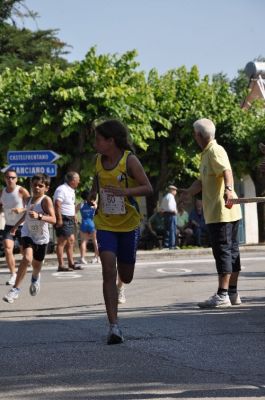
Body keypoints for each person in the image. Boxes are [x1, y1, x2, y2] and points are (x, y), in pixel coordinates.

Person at [91, 119, 153, 344]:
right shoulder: (98, 160)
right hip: (105, 224)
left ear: (111, 141)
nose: (95, 143)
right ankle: (113, 327)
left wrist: (123, 192)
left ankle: (121, 285)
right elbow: (96, 182)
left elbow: (148, 187)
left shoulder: (129, 161)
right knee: (108, 269)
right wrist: (91, 197)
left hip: (128, 225)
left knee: (126, 275)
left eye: (98, 139)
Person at [180, 118, 242, 308]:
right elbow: (203, 181)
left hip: (221, 212)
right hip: (221, 212)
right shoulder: (206, 154)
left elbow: (227, 171)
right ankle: (232, 294)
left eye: (194, 133)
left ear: (198, 135)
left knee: (224, 253)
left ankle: (223, 295)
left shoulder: (215, 150)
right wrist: (189, 192)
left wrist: (229, 189)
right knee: (230, 253)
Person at [3, 173, 56, 304]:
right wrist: (15, 227)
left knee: (36, 266)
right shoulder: (28, 200)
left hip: (41, 238)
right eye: (34, 185)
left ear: (46, 188)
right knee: (26, 258)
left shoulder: (46, 200)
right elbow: (26, 215)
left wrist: (39, 216)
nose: (37, 188)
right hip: (27, 233)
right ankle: (15, 290)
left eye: (40, 186)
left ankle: (35, 277)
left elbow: (54, 219)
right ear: (31, 186)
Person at [0, 169, 30, 286]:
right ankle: (13, 274)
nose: (10, 179)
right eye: (8, 177)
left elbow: (32, 206)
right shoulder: (2, 192)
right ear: (5, 179)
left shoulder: (21, 191)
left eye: (13, 177)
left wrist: (21, 209)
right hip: (8, 225)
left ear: (16, 179)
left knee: (25, 253)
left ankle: (31, 268)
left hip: (23, 225)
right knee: (7, 248)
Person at [54, 171, 82, 272]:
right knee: (62, 241)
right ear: (73, 180)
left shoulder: (71, 190)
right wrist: (60, 219)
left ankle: (71, 263)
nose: (79, 182)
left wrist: (74, 214)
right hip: (63, 217)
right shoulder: (62, 189)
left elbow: (71, 204)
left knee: (71, 241)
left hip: (69, 217)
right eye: (78, 180)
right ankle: (61, 265)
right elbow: (57, 204)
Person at [76, 189, 99, 264]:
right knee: (95, 241)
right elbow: (98, 211)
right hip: (92, 223)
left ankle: (82, 258)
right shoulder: (93, 204)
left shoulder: (81, 204)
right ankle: (97, 258)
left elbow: (74, 212)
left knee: (83, 241)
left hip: (84, 223)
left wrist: (76, 221)